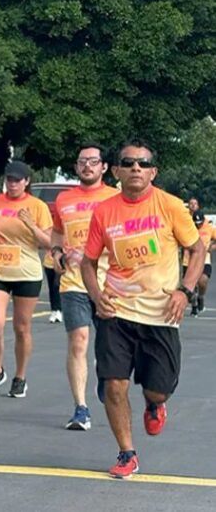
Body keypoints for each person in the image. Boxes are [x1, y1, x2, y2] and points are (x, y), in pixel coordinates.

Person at [81, 139, 204, 479]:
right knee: (113, 384)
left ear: (153, 172)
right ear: (116, 171)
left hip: (161, 314)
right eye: (128, 162)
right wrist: (96, 296)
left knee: (157, 388)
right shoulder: (104, 211)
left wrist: (185, 291)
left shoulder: (170, 206)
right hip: (116, 311)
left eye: (143, 163)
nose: (136, 167)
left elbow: (197, 249)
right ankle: (127, 453)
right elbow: (88, 262)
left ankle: (154, 404)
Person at [50, 144, 118, 431]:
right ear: (76, 167)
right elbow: (57, 232)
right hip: (73, 282)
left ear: (104, 167)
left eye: (93, 161)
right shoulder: (64, 199)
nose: (87, 166)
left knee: (108, 345)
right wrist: (56, 251)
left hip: (109, 284)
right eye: (81, 162)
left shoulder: (115, 197)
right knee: (78, 340)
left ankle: (105, 373)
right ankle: (81, 408)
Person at [0, 161, 53, 398]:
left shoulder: (37, 206)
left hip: (26, 272)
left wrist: (31, 225)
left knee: (21, 328)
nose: (12, 184)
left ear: (26, 181)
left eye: (17, 180)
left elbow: (48, 242)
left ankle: (20, 377)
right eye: (9, 179)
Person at [185, 211, 213, 316]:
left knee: (203, 281)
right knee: (191, 286)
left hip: (204, 259)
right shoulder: (187, 228)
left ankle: (201, 297)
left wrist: (212, 247)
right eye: (196, 223)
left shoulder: (209, 228)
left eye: (200, 223)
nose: (198, 225)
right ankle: (194, 305)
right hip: (189, 260)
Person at [44, 251, 63, 323]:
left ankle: (58, 310)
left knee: (56, 286)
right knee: (51, 288)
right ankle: (53, 310)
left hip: (60, 263)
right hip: (48, 263)